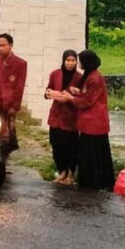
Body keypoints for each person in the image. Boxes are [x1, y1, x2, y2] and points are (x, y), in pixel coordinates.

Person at [54, 50, 114, 190]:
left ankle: (95, 182)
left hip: (94, 122)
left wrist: (71, 98)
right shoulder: (90, 75)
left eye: (80, 61)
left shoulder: (94, 78)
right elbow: (86, 94)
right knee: (90, 153)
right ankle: (92, 181)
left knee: (94, 153)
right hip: (89, 123)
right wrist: (78, 92)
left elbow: (88, 101)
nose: (78, 63)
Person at [0, 33, 27, 168]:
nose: (0, 48)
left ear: (10, 45)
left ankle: (4, 162)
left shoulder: (20, 63)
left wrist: (15, 106)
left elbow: (19, 87)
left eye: (3, 45)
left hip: (9, 105)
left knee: (7, 136)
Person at [44, 50, 81, 185]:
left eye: (73, 61)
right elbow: (48, 90)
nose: (70, 63)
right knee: (56, 146)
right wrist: (49, 93)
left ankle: (71, 174)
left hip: (70, 118)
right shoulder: (55, 74)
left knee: (71, 147)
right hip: (56, 116)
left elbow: (82, 97)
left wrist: (70, 98)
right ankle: (62, 172)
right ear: (63, 60)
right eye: (68, 60)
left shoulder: (79, 77)